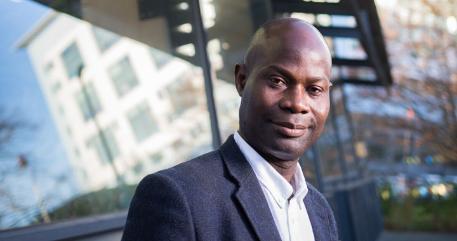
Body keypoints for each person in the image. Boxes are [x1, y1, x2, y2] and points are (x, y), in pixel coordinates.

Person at [121, 18, 338, 241]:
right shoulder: (176, 197)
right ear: (242, 80)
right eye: (278, 81)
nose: (297, 103)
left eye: (314, 89)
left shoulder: (320, 211)